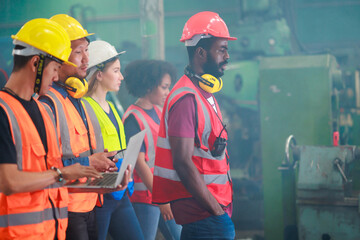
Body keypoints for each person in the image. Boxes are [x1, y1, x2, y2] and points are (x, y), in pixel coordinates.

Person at [0, 18, 102, 239]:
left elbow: (51, 173)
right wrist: (62, 174)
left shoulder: (42, 111)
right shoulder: (3, 112)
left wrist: (102, 181)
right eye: (55, 68)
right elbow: (8, 182)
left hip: (51, 231)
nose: (56, 77)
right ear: (36, 63)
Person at [152, 11, 236, 239]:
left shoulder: (204, 93)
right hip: (205, 215)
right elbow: (182, 162)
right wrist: (216, 212)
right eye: (221, 49)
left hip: (213, 211)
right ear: (200, 52)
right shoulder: (187, 98)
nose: (227, 56)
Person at [39, 14, 124, 240]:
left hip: (91, 201)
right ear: (57, 56)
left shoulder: (77, 99)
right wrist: (89, 162)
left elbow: (83, 153)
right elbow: (44, 168)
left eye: (86, 51)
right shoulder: (48, 103)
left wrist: (106, 166)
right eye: (78, 52)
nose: (86, 58)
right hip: (67, 207)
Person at [82, 40, 144, 240]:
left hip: (120, 192)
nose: (121, 76)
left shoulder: (111, 107)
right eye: (116, 71)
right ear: (99, 75)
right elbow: (87, 158)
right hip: (100, 196)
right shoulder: (84, 107)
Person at [123, 59, 182, 240]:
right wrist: (161, 198)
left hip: (163, 194)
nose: (168, 92)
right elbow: (140, 163)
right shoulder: (133, 118)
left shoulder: (159, 111)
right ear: (149, 86)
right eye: (164, 87)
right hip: (145, 199)